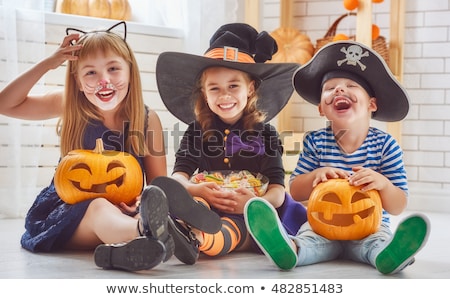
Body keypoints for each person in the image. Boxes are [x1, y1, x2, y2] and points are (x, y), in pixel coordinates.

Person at [0, 21, 220, 272]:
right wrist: (48, 64)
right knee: (99, 206)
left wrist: (143, 203)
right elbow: (5, 104)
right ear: (79, 82)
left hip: (125, 213)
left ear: (130, 71)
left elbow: (158, 184)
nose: (104, 81)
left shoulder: (147, 120)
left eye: (113, 69)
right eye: (90, 73)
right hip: (70, 216)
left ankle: (133, 247)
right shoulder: (70, 104)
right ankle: (148, 232)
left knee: (151, 208)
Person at [244, 40, 430, 275]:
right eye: (330, 88)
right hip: (322, 226)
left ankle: (390, 255)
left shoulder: (386, 146)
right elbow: (297, 191)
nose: (340, 90)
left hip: (369, 228)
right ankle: (288, 249)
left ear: (372, 104)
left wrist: (382, 184)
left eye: (351, 85)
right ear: (321, 108)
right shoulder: (315, 142)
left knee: (375, 244)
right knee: (309, 240)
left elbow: (398, 205)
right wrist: (315, 175)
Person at [155, 23, 308, 263]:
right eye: (214, 88)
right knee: (192, 202)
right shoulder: (197, 131)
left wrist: (254, 203)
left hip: (248, 210)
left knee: (235, 226)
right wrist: (196, 189)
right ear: (204, 94)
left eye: (233, 86)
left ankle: (199, 239)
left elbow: (278, 191)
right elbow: (179, 176)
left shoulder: (266, 134)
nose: (224, 95)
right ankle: (177, 228)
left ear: (250, 88)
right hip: (206, 202)